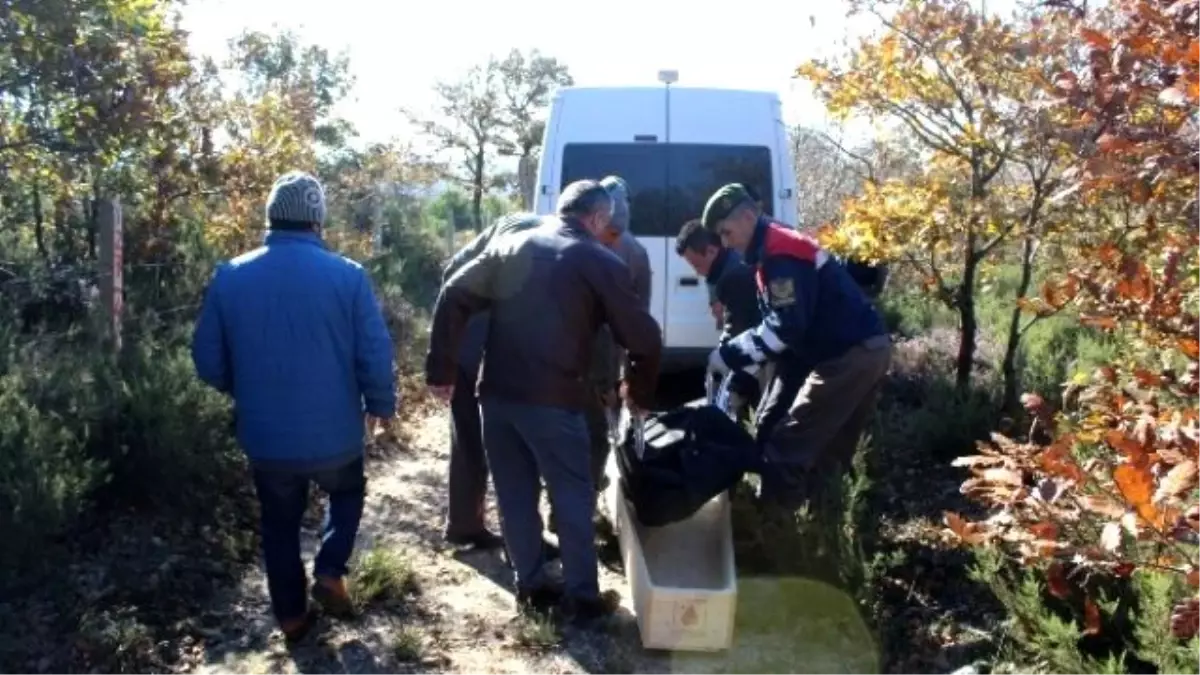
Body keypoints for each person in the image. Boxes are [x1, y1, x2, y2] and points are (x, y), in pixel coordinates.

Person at [424, 179, 662, 624]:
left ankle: (531, 587)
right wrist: (639, 393)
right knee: (572, 496)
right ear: (596, 218)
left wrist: (440, 370)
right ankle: (583, 599)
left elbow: (453, 293)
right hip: (555, 401)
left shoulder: (513, 244)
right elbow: (645, 338)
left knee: (515, 494)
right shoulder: (599, 260)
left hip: (495, 399)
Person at [192, 171, 397, 643]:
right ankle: (329, 570)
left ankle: (291, 617)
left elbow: (207, 360)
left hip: (266, 438)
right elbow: (374, 351)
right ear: (318, 221)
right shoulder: (348, 276)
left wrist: (243, 389)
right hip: (336, 437)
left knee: (279, 523)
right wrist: (381, 404)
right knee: (346, 493)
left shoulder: (231, 275)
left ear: (270, 218)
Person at [699, 183, 891, 509]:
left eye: (727, 232)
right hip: (860, 350)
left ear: (748, 216)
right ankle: (821, 533)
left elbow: (785, 328)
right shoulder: (772, 249)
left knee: (785, 448)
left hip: (847, 356)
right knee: (827, 451)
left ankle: (776, 541)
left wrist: (729, 355)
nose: (725, 243)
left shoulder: (780, 253)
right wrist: (742, 378)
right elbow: (787, 334)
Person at [439, 213, 547, 553]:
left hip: (465, 357)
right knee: (508, 448)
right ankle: (522, 540)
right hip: (478, 361)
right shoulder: (523, 249)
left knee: (468, 440)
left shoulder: (482, 250)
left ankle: (464, 524)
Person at [674, 218, 765, 417]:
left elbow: (737, 329)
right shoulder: (727, 265)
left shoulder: (733, 276)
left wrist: (722, 356)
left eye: (697, 264)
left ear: (712, 251)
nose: (697, 272)